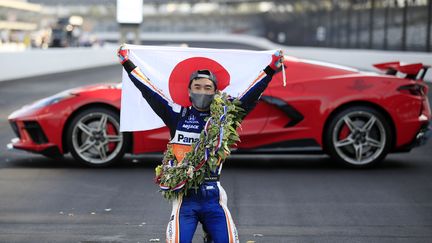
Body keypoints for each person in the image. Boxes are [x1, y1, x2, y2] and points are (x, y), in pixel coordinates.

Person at [117, 45, 284, 243]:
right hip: (184, 198)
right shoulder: (177, 114)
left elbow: (249, 96)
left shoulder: (224, 117)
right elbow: (149, 91)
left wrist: (271, 68)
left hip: (213, 198)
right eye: (197, 87)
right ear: (189, 91)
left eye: (208, 88)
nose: (202, 92)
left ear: (215, 92)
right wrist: (127, 63)